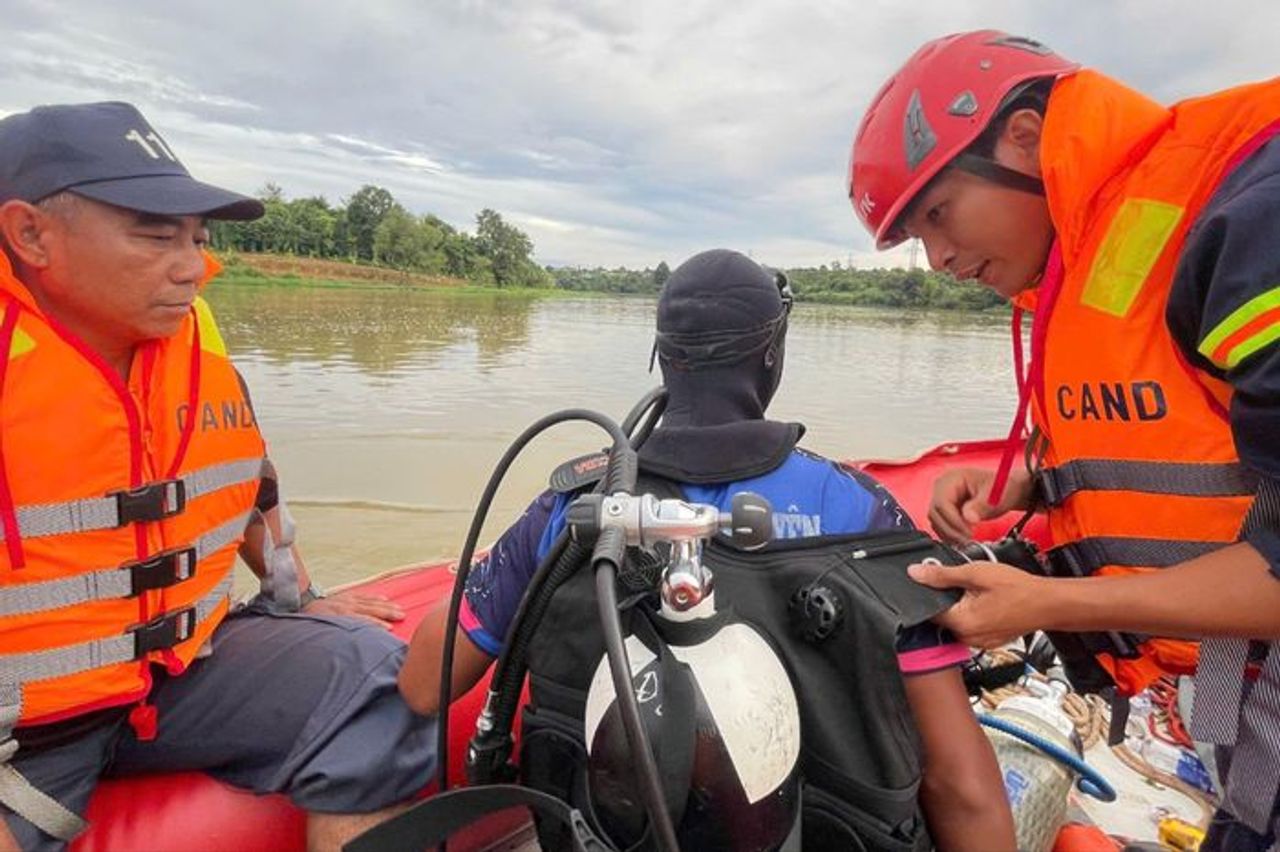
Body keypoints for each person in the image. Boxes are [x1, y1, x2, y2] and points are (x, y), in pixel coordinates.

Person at [399, 249, 1015, 850]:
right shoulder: (858, 507)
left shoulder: (576, 507)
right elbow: (959, 785)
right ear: (771, 354)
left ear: (663, 356)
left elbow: (426, 686)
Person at [848, 30, 1280, 850]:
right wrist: (1035, 483)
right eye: (916, 238)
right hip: (1247, 722)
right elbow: (1201, 435)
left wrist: (1052, 604)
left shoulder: (1249, 218)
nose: (937, 257)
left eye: (938, 213)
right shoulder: (1100, 247)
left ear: (1022, 134)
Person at [0, 102, 434, 852]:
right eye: (155, 233)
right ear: (30, 233)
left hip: (175, 675)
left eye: (199, 238)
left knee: (375, 680)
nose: (194, 265)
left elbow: (242, 486)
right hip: (22, 729)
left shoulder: (191, 334)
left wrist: (305, 600)